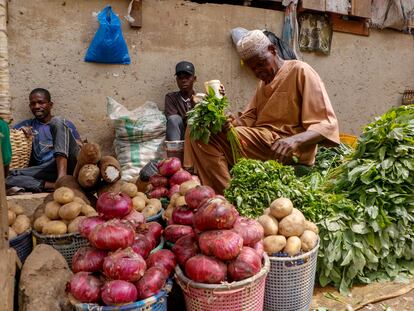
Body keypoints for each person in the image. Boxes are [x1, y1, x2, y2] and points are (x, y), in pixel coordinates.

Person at [184, 30, 339, 194]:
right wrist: (230, 119)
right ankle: (223, 192)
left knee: (208, 136)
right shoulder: (263, 83)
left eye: (260, 64)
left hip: (287, 147)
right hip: (262, 142)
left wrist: (294, 140)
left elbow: (327, 123)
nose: (258, 71)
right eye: (253, 69)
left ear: (272, 50)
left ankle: (229, 196)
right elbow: (248, 118)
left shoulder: (300, 70)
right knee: (200, 129)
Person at [6, 88, 81, 193]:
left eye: (41, 102)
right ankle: (55, 186)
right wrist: (19, 132)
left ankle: (62, 178)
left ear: (50, 105)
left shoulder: (65, 124)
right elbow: (9, 135)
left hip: (70, 165)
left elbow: (80, 150)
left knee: (57, 121)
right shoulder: (28, 125)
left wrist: (70, 141)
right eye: (33, 104)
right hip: (47, 169)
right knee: (7, 176)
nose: (36, 106)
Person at [165, 61, 197, 141]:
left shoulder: (201, 99)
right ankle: (176, 151)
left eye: (187, 77)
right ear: (176, 80)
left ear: (194, 79)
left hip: (197, 138)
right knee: (174, 119)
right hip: (180, 137)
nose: (183, 80)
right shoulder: (171, 98)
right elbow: (173, 122)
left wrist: (196, 105)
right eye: (180, 78)